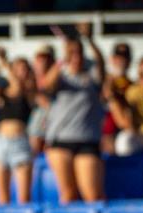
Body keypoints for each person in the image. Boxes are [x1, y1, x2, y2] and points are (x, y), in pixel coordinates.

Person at [43, 28, 106, 204]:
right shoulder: (61, 76)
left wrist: (90, 41)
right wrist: (63, 59)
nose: (76, 56)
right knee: (68, 194)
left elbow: (101, 65)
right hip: (60, 140)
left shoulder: (91, 75)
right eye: (72, 52)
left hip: (87, 140)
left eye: (78, 52)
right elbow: (47, 85)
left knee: (93, 195)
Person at [0, 48, 37, 205]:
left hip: (20, 143)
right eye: (18, 68)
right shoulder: (2, 92)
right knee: (2, 199)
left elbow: (17, 87)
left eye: (24, 68)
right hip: (2, 142)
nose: (21, 72)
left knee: (24, 199)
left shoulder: (29, 92)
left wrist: (5, 63)